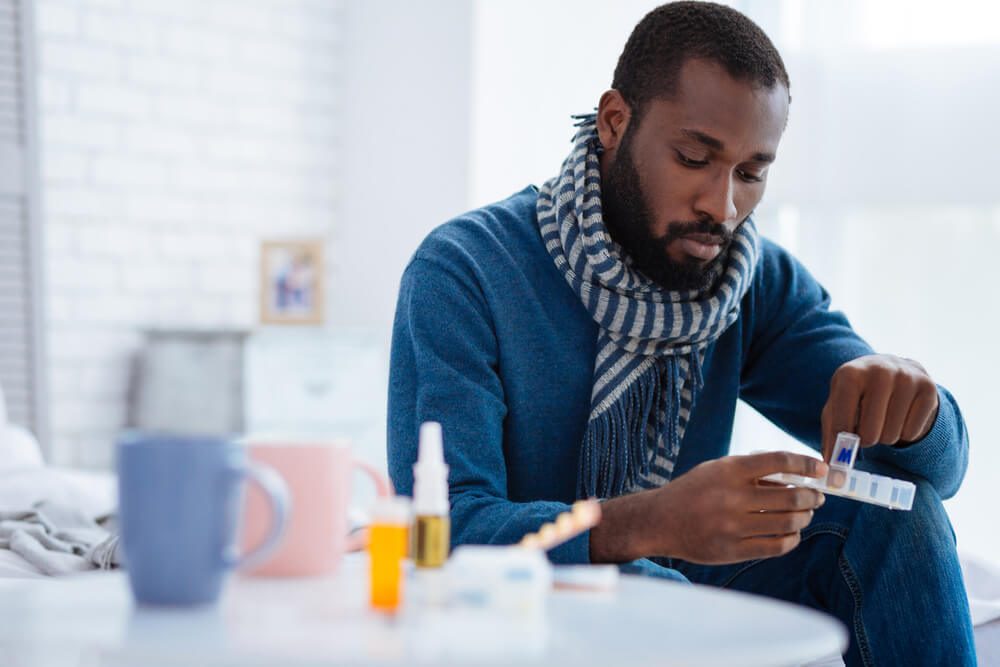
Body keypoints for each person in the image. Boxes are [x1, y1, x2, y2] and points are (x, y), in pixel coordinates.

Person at [387, 3, 974, 665]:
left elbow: (940, 473)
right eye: (695, 157)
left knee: (898, 514)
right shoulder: (466, 269)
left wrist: (919, 411)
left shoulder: (749, 279)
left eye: (751, 173)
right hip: (521, 610)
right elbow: (438, 531)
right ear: (615, 122)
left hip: (681, 591)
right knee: (650, 581)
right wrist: (650, 521)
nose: (722, 207)